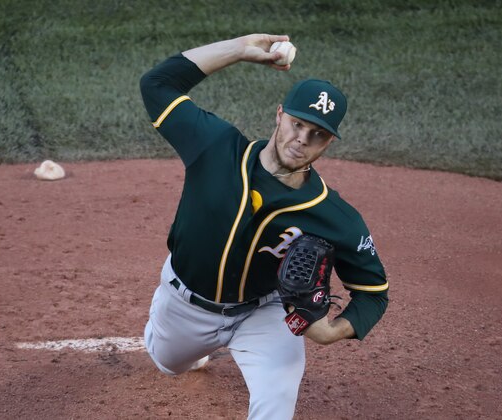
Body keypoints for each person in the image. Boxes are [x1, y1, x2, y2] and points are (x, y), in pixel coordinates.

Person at [139, 33, 389, 419]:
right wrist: (238, 50)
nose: (301, 140)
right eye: (297, 124)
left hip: (268, 311)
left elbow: (374, 293)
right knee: (167, 363)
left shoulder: (335, 217)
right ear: (279, 114)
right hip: (185, 303)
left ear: (328, 144)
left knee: (276, 399)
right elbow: (157, 84)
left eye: (318, 135)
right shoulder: (217, 147)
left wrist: (334, 330)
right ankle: (181, 342)